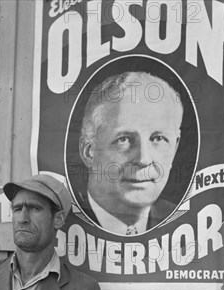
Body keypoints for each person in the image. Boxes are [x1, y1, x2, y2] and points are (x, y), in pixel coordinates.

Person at [78, 71, 183, 235]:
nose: (144, 159)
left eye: (158, 138)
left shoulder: (181, 221)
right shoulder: (61, 218)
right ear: (88, 151)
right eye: (124, 139)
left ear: (175, 147)